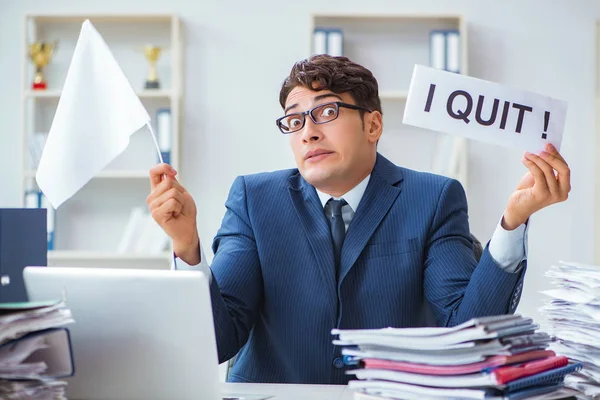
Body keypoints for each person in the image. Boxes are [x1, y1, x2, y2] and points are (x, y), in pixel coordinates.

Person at [146, 55, 571, 385]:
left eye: (326, 112)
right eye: (295, 120)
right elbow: (218, 341)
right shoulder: (254, 198)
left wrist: (513, 222)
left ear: (373, 125)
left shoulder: (433, 197)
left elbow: (469, 332)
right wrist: (187, 248)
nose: (308, 132)